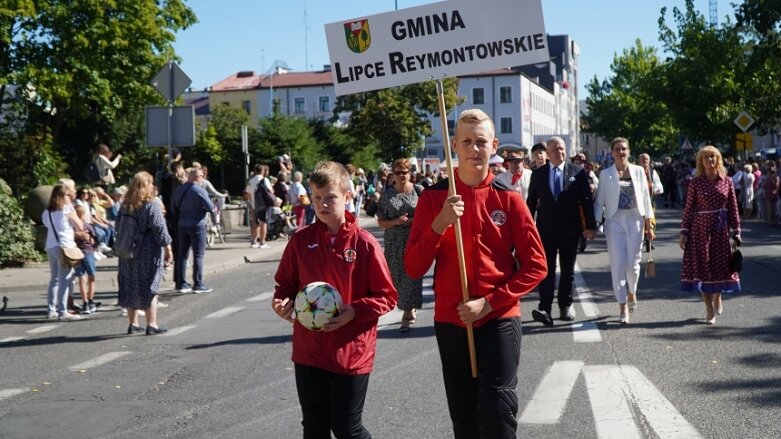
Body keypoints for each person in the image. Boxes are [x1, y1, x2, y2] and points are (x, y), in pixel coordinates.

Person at [405, 109, 547, 438]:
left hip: (498, 316)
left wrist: (490, 302)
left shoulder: (509, 199)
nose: (474, 149)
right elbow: (413, 266)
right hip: (452, 319)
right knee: (465, 418)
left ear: (493, 145)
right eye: (466, 141)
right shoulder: (432, 198)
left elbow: (536, 264)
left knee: (498, 413)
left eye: (481, 141)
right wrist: (440, 224)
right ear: (454, 144)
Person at [271, 161, 397, 438]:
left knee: (346, 428)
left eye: (330, 197)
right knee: (314, 428)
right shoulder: (301, 241)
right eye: (317, 198)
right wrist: (281, 303)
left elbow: (387, 296)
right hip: (309, 349)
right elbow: (285, 286)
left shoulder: (363, 243)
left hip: (350, 351)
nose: (323, 204)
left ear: (347, 197)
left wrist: (354, 311)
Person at [526, 136, 596, 326]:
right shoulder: (538, 175)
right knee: (546, 270)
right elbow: (530, 204)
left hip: (570, 230)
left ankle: (565, 305)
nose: (560, 152)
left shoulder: (577, 173)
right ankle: (545, 308)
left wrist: (590, 226)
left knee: (567, 270)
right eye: (556, 149)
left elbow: (586, 200)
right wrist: (525, 229)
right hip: (545, 230)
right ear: (548, 153)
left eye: (563, 149)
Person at [594, 138, 656, 324]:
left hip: (635, 219)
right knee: (618, 264)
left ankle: (632, 292)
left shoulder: (638, 171)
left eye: (624, 149)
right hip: (614, 220)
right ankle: (622, 307)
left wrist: (649, 223)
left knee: (633, 263)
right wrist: (595, 224)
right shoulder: (605, 174)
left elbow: (646, 198)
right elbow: (600, 200)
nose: (621, 152)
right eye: (617, 149)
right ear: (612, 152)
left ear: (629, 152)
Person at [679, 146, 740, 325]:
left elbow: (733, 208)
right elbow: (689, 209)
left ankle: (718, 297)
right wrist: (684, 232)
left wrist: (737, 231)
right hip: (700, 231)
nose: (710, 160)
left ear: (718, 159)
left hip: (721, 231)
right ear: (701, 161)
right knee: (703, 269)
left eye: (713, 157)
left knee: (720, 267)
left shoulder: (727, 181)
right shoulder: (696, 182)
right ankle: (708, 308)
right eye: (706, 157)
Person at [117, 171, 173, 335]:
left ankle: (133, 324)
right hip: (148, 250)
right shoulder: (151, 204)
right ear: (146, 185)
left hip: (127, 251)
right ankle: (152, 324)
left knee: (131, 285)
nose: (153, 186)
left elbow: (118, 226)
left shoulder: (126, 204)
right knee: (150, 286)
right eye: (150, 183)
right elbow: (160, 230)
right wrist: (168, 247)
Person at [377, 158, 424, 332]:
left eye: (404, 172)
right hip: (394, 242)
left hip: (414, 239)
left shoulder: (418, 191)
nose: (402, 176)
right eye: (398, 172)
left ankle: (407, 312)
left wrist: (411, 221)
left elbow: (426, 215)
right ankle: (407, 306)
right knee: (396, 277)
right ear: (393, 175)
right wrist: (397, 221)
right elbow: (381, 222)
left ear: (410, 173)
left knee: (412, 274)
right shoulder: (387, 195)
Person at [42, 183, 84, 320]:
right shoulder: (67, 210)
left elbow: (47, 225)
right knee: (65, 279)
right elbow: (80, 226)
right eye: (68, 194)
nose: (70, 196)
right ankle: (62, 311)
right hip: (65, 247)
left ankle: (51, 310)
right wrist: (72, 209)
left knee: (54, 279)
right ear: (62, 196)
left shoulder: (47, 211)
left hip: (51, 245)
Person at [172, 167, 215, 294]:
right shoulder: (199, 190)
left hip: (182, 224)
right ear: (197, 177)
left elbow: (173, 206)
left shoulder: (179, 189)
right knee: (198, 254)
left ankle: (181, 283)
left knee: (182, 255)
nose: (203, 178)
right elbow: (210, 207)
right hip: (197, 224)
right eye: (202, 176)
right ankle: (198, 283)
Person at [72, 205, 99, 314]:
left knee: (81, 279)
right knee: (91, 278)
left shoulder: (72, 229)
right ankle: (91, 300)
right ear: (83, 215)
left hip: (77, 254)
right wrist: (94, 248)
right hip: (88, 252)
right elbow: (96, 240)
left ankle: (85, 303)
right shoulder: (87, 226)